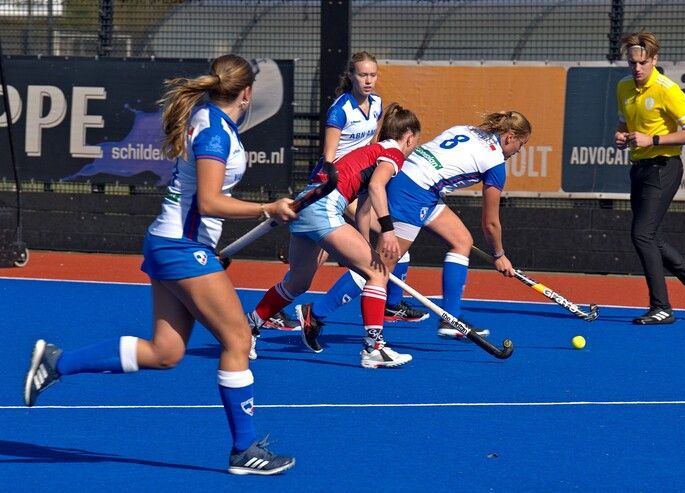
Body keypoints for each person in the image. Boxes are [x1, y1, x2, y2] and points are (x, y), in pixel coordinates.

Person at [23, 54, 296, 475]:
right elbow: (208, 201)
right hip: (181, 247)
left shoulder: (208, 118)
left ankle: (57, 363)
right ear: (246, 93)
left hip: (175, 244)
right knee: (239, 339)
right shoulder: (215, 134)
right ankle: (244, 451)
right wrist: (266, 209)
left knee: (165, 352)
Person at [299, 111, 531, 344]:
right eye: (520, 145)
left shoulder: (467, 129)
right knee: (379, 266)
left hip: (413, 181)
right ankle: (316, 313)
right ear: (509, 137)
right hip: (414, 192)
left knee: (462, 241)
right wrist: (499, 255)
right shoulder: (496, 163)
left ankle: (450, 318)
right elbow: (490, 223)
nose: (517, 152)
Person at [246, 102, 422, 368]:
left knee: (297, 282)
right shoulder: (394, 153)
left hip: (305, 204)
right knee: (379, 274)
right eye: (415, 143)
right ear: (408, 137)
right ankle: (373, 347)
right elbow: (376, 187)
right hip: (323, 207)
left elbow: (363, 212)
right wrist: (387, 230)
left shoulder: (371, 153)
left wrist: (363, 249)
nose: (413, 148)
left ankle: (247, 328)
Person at [614, 31, 685, 324]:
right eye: (632, 63)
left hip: (665, 166)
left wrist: (653, 140)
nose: (637, 69)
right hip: (639, 168)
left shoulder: (668, 89)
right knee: (651, 236)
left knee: (641, 234)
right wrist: (621, 135)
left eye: (643, 63)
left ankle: (662, 307)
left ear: (654, 60)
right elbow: (624, 120)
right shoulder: (623, 87)